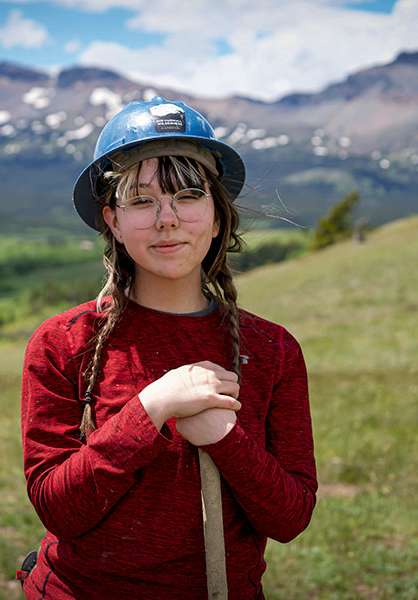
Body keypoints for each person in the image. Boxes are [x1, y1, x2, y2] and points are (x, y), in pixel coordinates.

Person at [19, 96, 317, 599]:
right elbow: (59, 510)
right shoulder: (63, 343)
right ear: (111, 221)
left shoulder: (273, 350)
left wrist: (226, 440)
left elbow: (290, 518)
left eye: (187, 196)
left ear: (218, 216)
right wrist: (152, 408)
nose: (167, 219)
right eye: (141, 200)